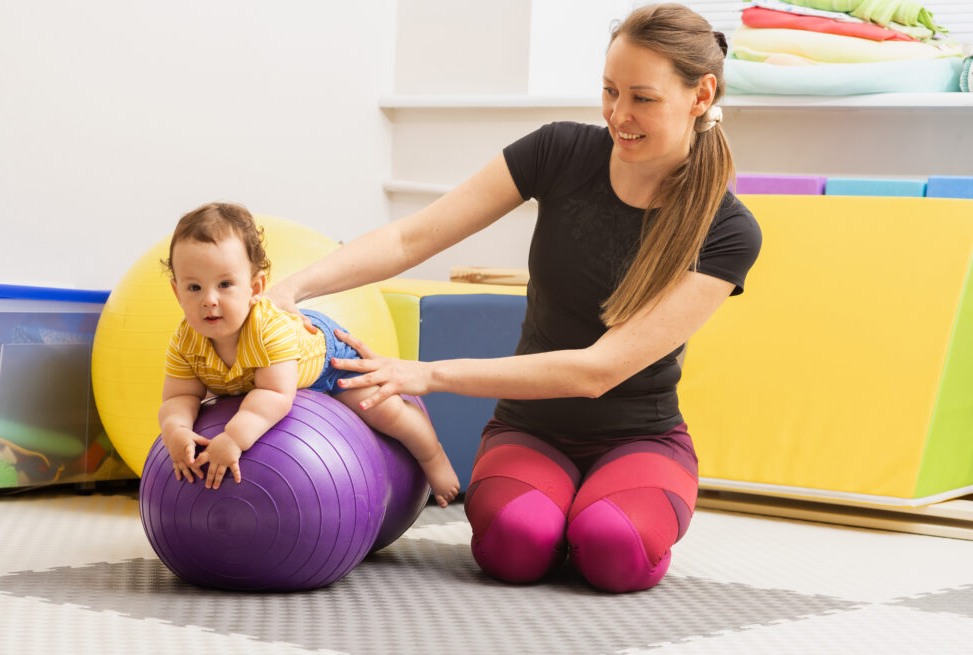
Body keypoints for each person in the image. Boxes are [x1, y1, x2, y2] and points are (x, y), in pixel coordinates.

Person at [267, 3, 762, 592]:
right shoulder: (558, 152)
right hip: (532, 430)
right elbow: (411, 236)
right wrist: (292, 286)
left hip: (641, 437)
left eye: (643, 98)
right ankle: (559, 515)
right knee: (515, 547)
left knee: (613, 550)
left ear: (700, 96)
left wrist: (425, 375)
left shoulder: (729, 230)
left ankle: (602, 515)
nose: (618, 115)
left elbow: (596, 371)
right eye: (609, 91)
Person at [157, 202, 460, 506]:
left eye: (225, 284)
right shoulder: (185, 341)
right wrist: (176, 429)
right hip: (272, 382)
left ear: (255, 287)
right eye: (194, 287)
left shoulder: (266, 330)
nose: (209, 300)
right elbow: (178, 397)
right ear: (176, 293)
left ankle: (433, 455)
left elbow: (274, 394)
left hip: (326, 362)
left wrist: (234, 437)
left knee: (384, 411)